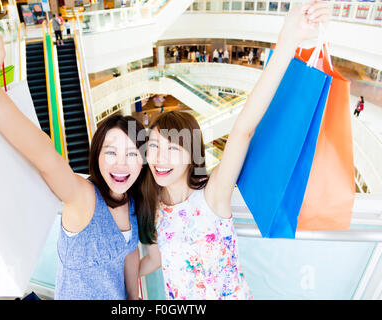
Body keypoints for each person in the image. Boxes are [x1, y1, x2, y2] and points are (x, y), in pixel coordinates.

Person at [137, 1, 330, 300]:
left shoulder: (212, 194)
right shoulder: (153, 205)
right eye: (154, 146)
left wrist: (289, 38)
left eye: (173, 148)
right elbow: (158, 258)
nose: (160, 158)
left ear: (192, 156)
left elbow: (243, 130)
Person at [0, 12, 149, 300]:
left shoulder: (133, 201)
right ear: (96, 155)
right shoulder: (83, 197)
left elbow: (130, 259)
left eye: (132, 153)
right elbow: (45, 156)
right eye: (111, 151)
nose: (121, 163)